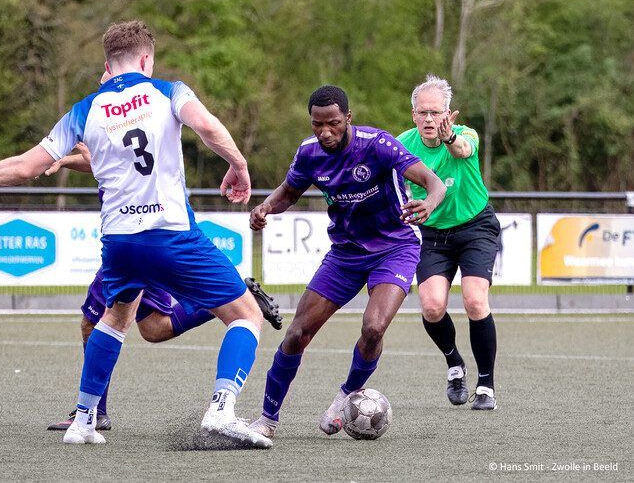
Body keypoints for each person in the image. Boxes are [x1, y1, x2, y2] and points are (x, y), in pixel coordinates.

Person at [0, 20, 273, 448]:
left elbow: (26, 166)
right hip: (170, 234)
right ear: (146, 59)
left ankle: (85, 421)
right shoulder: (169, 91)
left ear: (108, 64)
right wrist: (238, 164)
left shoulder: (84, 109)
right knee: (246, 314)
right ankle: (222, 409)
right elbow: (207, 126)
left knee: (115, 318)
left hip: (120, 243)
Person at [246, 85, 446, 439]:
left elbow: (433, 182)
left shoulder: (377, 144)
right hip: (345, 254)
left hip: (395, 247)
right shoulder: (309, 153)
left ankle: (344, 396)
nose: (325, 132)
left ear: (348, 119)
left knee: (373, 328)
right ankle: (267, 420)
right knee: (296, 334)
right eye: (317, 124)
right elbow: (289, 192)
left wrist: (430, 201)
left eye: (333, 124)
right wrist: (265, 206)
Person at [44, 142, 283, 431]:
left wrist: (238, 164)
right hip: (141, 235)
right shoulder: (131, 115)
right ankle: (238, 300)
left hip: (137, 235)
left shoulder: (130, 114)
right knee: (155, 329)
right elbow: (106, 163)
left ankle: (92, 413)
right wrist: (67, 161)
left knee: (95, 323)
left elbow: (118, 163)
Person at [397, 74, 500, 410]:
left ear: (448, 113)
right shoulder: (402, 145)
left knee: (474, 300)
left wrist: (450, 136)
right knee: (431, 305)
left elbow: (463, 148)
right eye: (423, 112)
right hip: (432, 235)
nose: (430, 119)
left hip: (475, 227)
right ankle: (455, 364)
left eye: (436, 112)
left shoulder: (463, 135)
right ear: (413, 115)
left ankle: (486, 386)